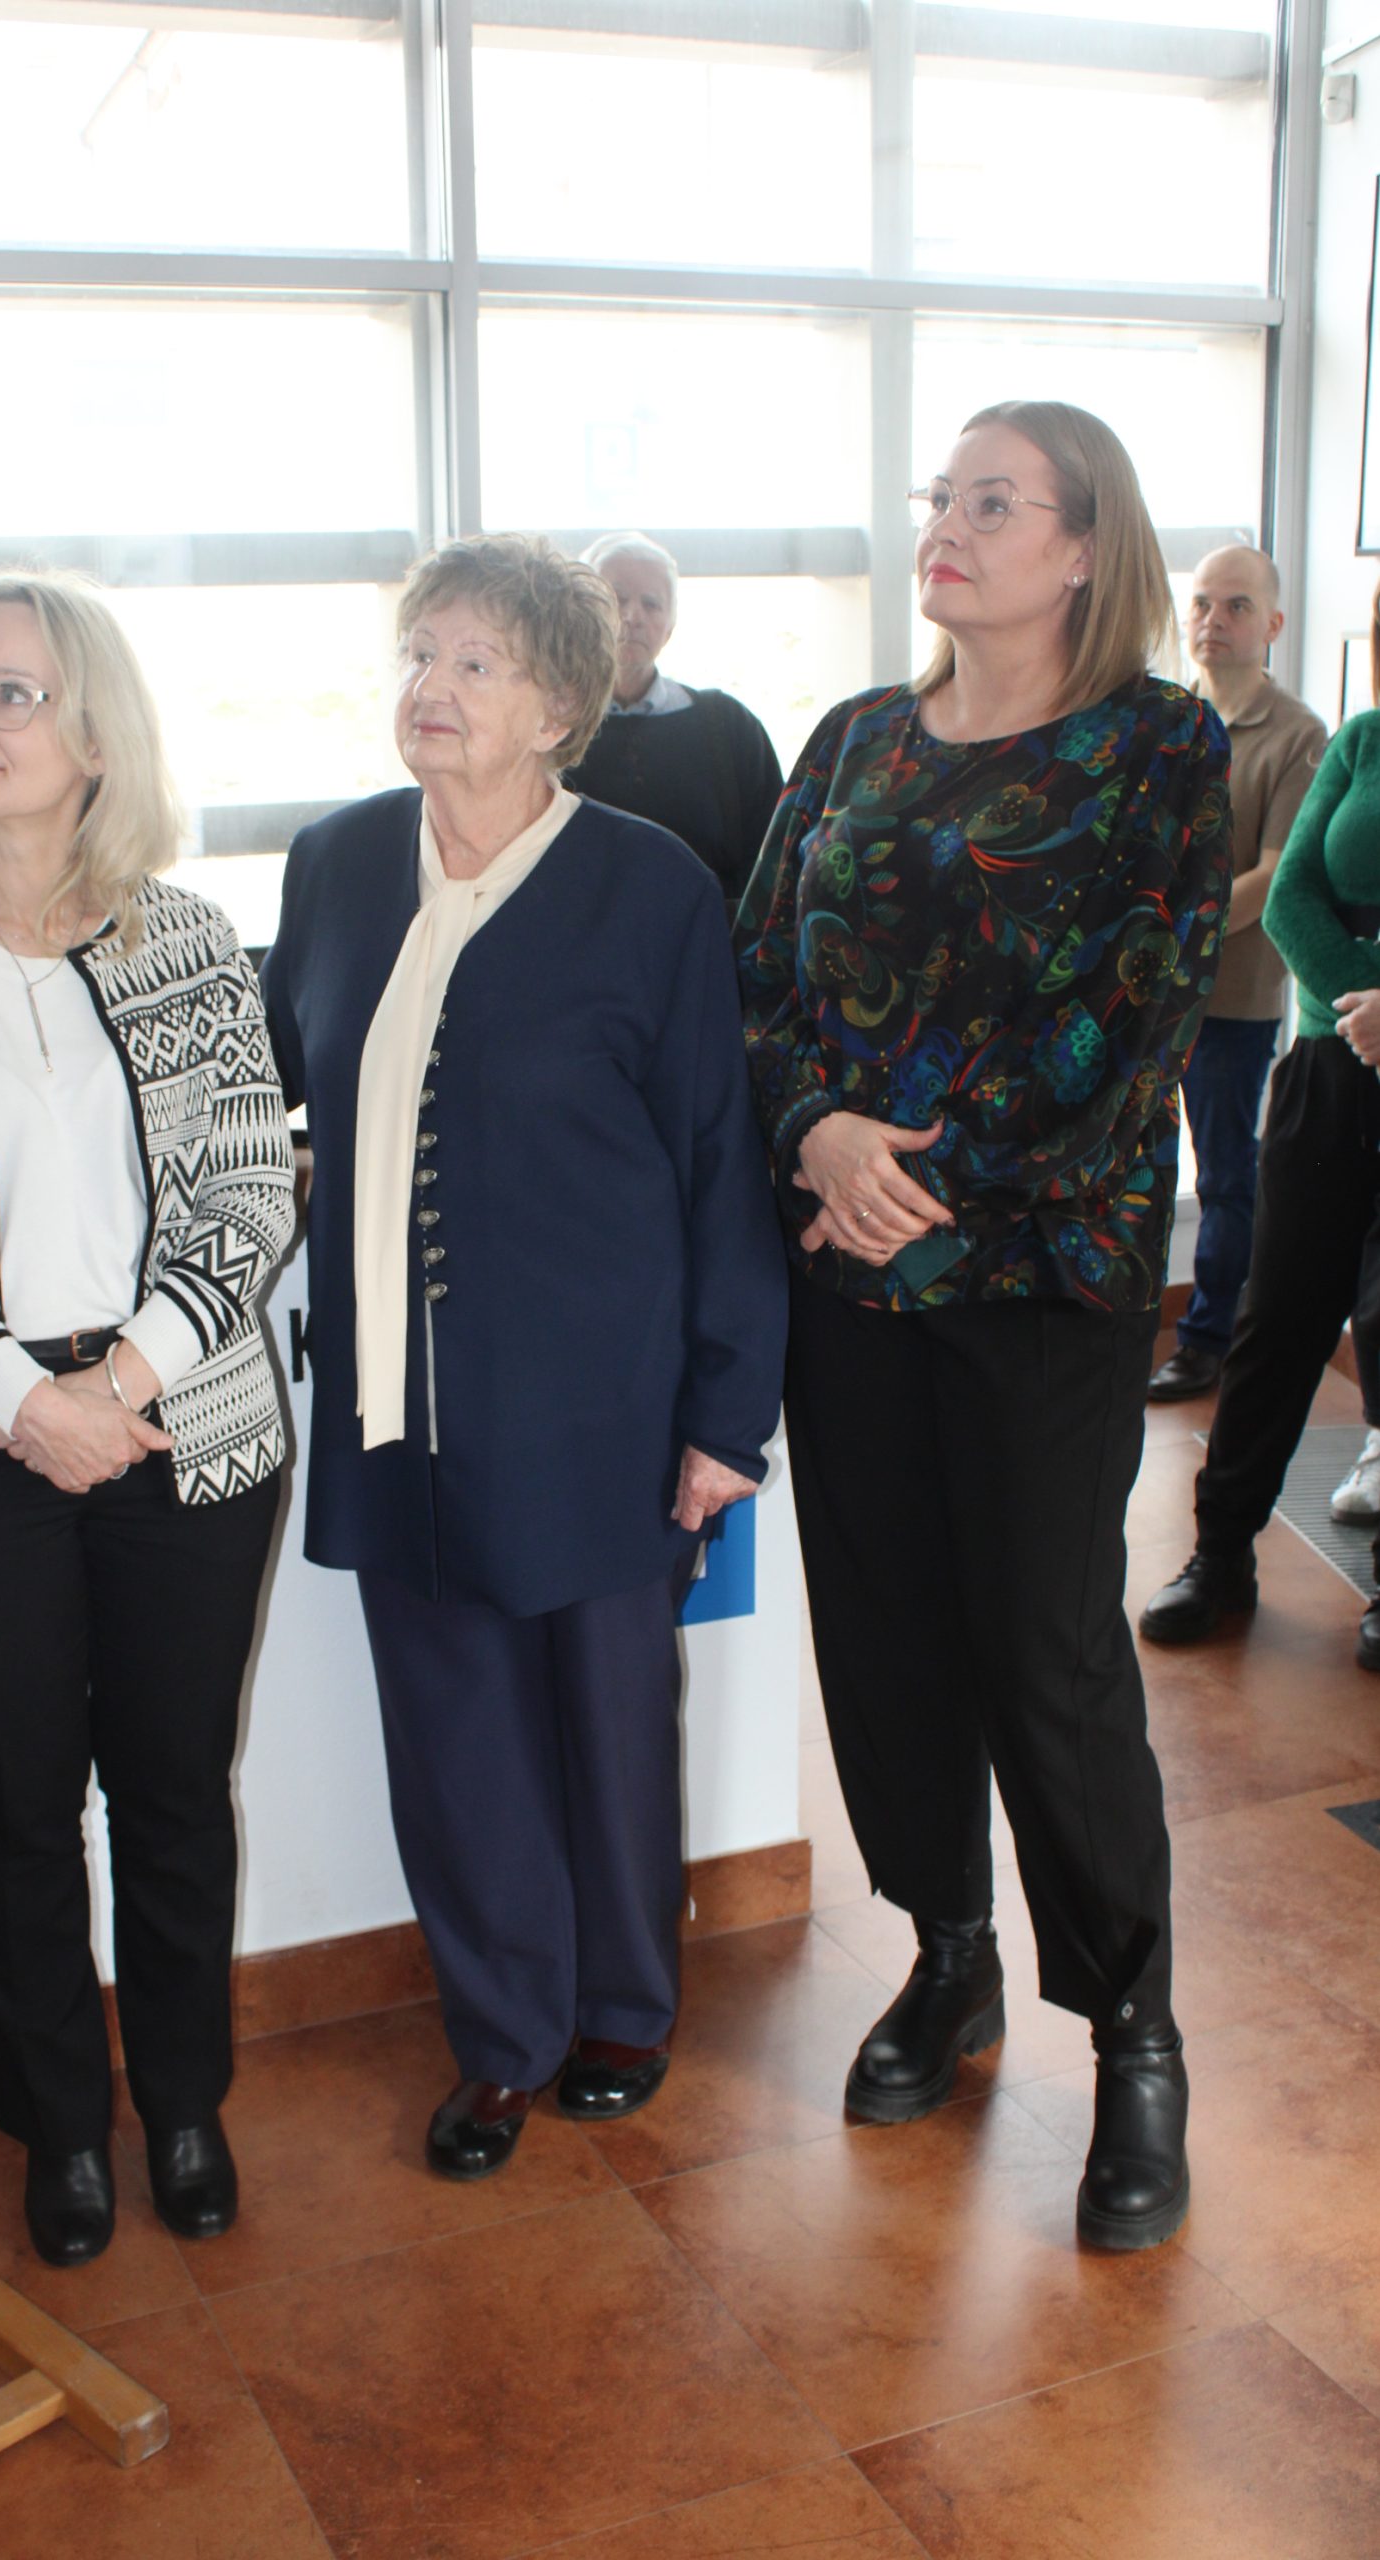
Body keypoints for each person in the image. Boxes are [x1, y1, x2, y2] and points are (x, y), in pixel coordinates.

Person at [738, 400, 1231, 2252]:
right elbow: (755, 975)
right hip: (845, 1273)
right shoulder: (854, 737)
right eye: (939, 494)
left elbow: (1136, 1015)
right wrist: (814, 1130)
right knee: (882, 1637)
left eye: (992, 500)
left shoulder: (1158, 745)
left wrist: (909, 1175)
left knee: (1045, 1654)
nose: (945, 522)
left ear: (1084, 546)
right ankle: (946, 1955)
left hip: (1040, 1277)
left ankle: (1129, 2032)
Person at [264, 533, 786, 2180]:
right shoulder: (337, 864)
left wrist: (724, 1414)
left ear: (560, 705)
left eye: (473, 663)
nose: (429, 688)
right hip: (391, 1402)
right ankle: (502, 2037)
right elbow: (280, 1087)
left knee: (609, 1718)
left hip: (598, 1406)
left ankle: (622, 2007)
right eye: (419, 655)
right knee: (452, 1735)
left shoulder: (649, 888)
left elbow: (717, 1161)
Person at [0, 570, 296, 2266]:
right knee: (13, 1811)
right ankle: (61, 2131)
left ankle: (182, 2104)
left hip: (181, 1432)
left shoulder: (189, 939)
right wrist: (26, 1399)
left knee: (172, 1793)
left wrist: (123, 1382)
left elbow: (247, 1188)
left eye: (8, 693)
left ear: (92, 732)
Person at [1141, 592, 1380, 1672]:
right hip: (1331, 1070)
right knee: (1276, 1321)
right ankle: (1219, 1553)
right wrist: (1364, 1005)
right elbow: (1289, 898)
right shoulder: (1361, 742)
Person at [1146, 546, 1325, 1403]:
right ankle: (1124, 1325)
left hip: (1230, 998)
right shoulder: (1167, 720)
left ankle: (1209, 1340)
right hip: (1146, 994)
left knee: (1222, 1177)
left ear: (1273, 625)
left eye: (1236, 606)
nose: (1212, 621)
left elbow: (1275, 874)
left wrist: (1178, 937)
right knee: (1136, 1169)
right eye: (1202, 603)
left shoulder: (1298, 736)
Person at [560, 532, 783, 916]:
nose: (633, 617)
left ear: (671, 625)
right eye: (617, 598)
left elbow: (776, 856)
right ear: (580, 614)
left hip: (707, 938)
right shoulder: (546, 727)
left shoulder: (729, 726)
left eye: (651, 604)